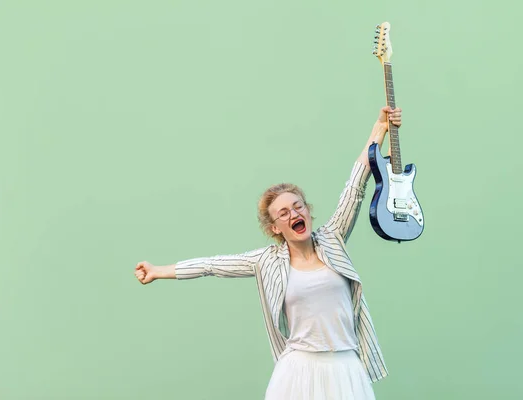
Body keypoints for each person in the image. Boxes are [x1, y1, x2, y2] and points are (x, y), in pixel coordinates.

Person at [134, 106, 402, 399]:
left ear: (308, 212)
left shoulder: (333, 238)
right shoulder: (266, 261)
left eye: (298, 206)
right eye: (283, 213)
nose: (293, 214)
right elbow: (212, 265)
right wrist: (158, 271)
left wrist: (379, 129)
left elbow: (356, 185)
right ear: (275, 228)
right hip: (299, 370)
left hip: (345, 367)